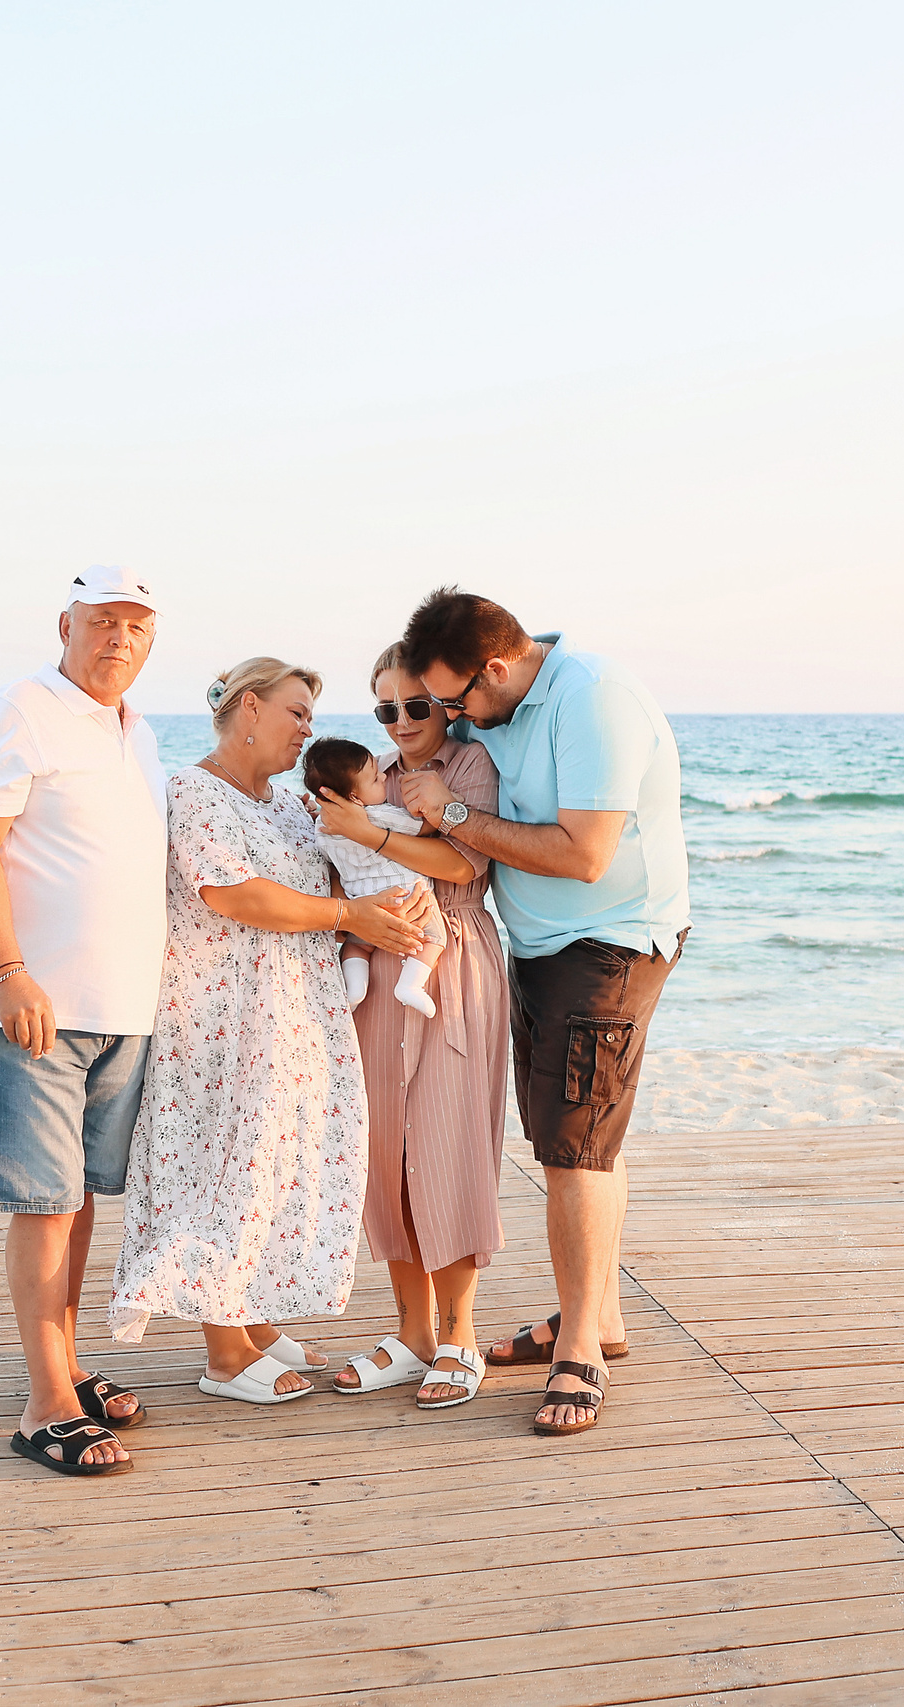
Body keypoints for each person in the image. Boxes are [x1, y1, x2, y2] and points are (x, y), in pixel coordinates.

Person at [396, 590, 689, 1437]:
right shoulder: (502, 700)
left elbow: (584, 854)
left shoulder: (594, 698)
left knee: (572, 1152)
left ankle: (580, 1358)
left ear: (495, 667)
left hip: (608, 942)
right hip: (539, 948)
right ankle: (598, 1316)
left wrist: (450, 813)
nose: (455, 719)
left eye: (457, 701)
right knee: (588, 1139)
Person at [105, 657, 431, 1405]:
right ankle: (222, 1353)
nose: (308, 729)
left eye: (311, 716)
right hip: (224, 1022)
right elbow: (234, 893)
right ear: (248, 709)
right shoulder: (194, 791)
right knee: (219, 1174)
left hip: (295, 1014)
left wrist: (395, 901)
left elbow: (339, 870)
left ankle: (247, 1323)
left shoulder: (288, 804)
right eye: (296, 713)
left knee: (269, 1169)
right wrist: (351, 917)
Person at [0, 564, 168, 1477]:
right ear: (65, 623)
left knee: (76, 1206)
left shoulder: (137, 733)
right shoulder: (18, 709)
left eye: (138, 627)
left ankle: (67, 1366)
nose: (120, 639)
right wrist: (7, 973)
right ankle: (43, 1405)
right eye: (104, 620)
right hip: (36, 1007)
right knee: (43, 1206)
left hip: (124, 1009)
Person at [315, 646, 512, 1411]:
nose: (401, 723)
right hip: (378, 969)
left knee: (448, 1142)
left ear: (444, 703)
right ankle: (412, 1334)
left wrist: (367, 836)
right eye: (385, 710)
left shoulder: (469, 768)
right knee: (386, 1147)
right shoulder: (368, 778)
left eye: (415, 706)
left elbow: (465, 867)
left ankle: (461, 1335)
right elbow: (332, 867)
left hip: (451, 958)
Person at [303, 737, 446, 1019]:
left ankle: (354, 990)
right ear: (355, 798)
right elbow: (423, 829)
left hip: (364, 907)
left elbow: (328, 863)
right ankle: (411, 985)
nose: (384, 776)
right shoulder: (379, 815)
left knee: (357, 945)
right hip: (406, 897)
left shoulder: (322, 826)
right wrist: (446, 806)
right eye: (375, 777)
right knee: (434, 938)